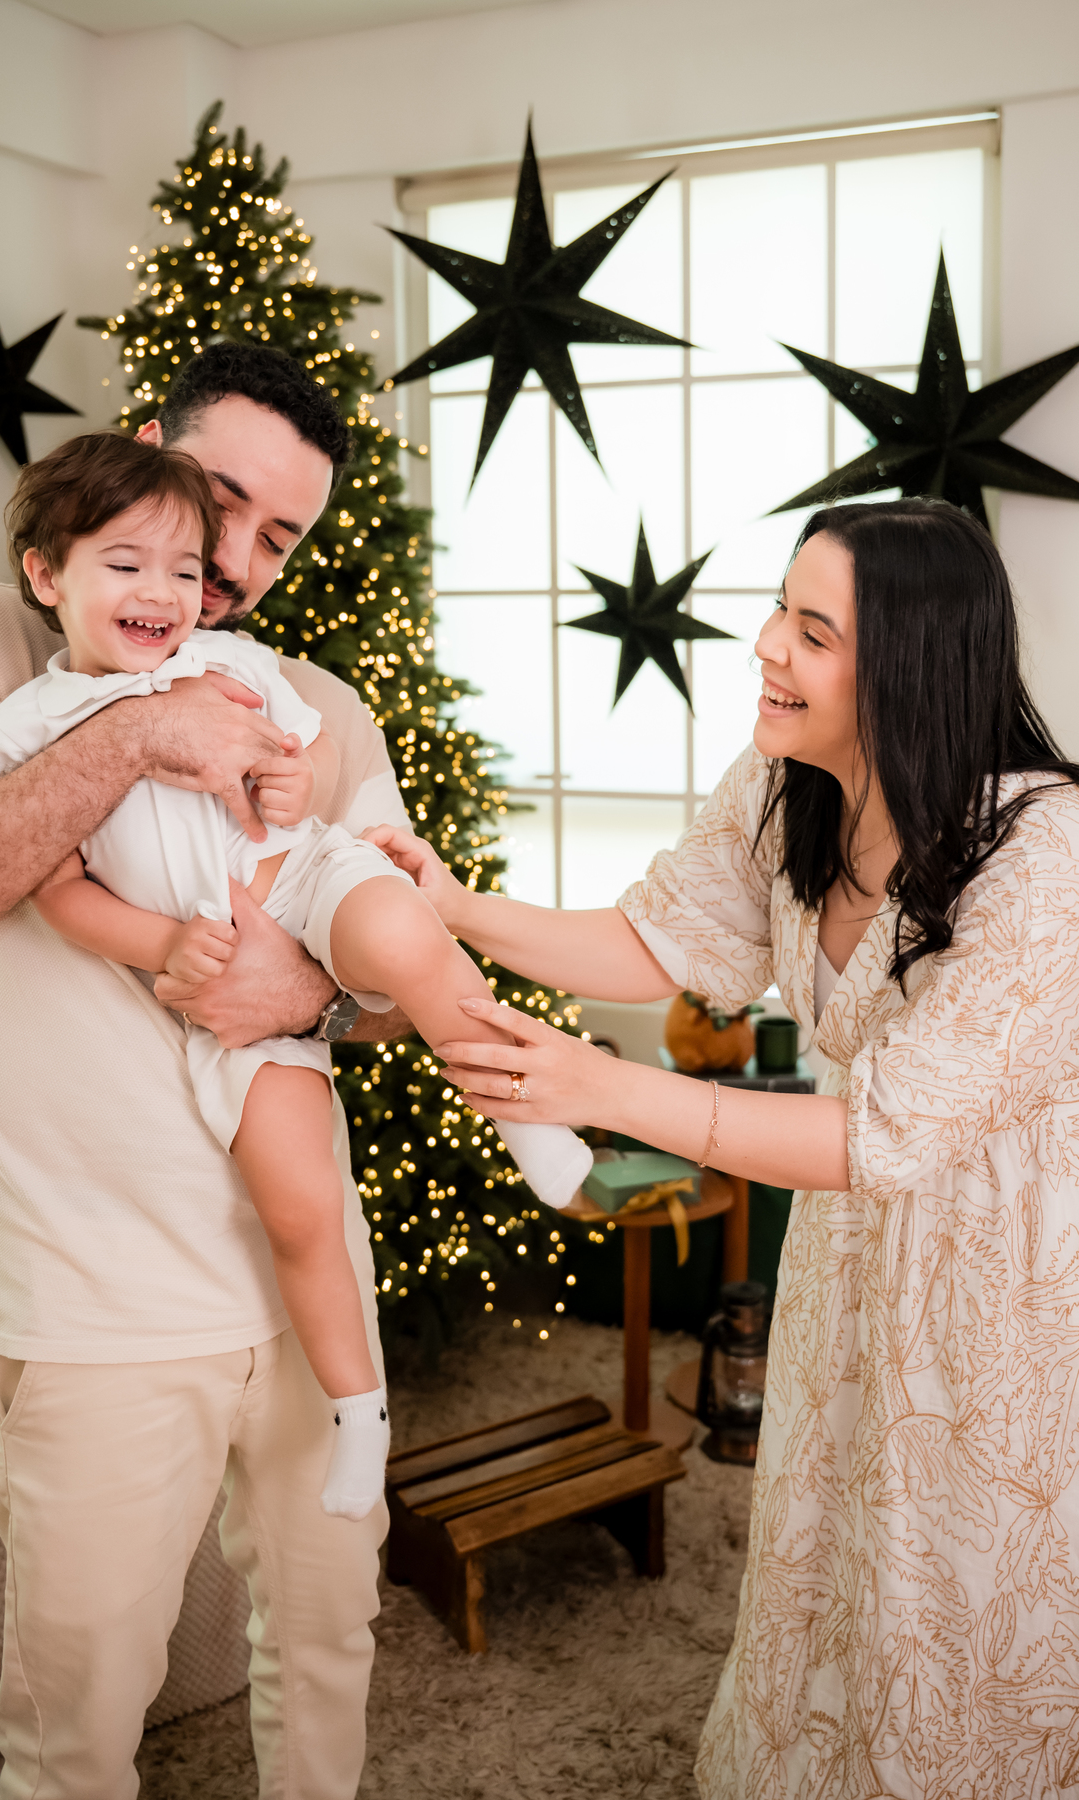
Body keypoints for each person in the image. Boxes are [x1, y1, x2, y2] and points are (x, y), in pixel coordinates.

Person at [372, 498, 1079, 1798]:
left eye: (813, 631)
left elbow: (882, 1133)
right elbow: (652, 940)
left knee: (958, 1566)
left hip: (998, 1268)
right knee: (836, 1529)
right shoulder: (785, 785)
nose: (766, 646)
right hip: (850, 1239)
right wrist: (453, 905)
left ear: (912, 664)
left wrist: (604, 1086)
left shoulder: (1043, 852)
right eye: (778, 610)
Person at [0, 345, 417, 1799]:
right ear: (146, 456)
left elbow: (390, 972)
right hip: (92, 1302)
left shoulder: (311, 701)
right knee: (74, 1729)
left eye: (279, 537)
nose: (234, 562)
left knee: (329, 1650)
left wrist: (314, 986)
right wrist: (140, 728)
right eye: (220, 502)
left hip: (305, 1276)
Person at [0, 429, 590, 1519]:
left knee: (407, 936)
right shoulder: (29, 725)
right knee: (301, 1211)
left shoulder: (229, 665)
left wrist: (293, 786)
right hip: (221, 994)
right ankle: (361, 1414)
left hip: (309, 878)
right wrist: (162, 947)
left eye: (183, 570)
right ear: (46, 574)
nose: (164, 592)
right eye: (125, 565)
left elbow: (307, 757)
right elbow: (58, 892)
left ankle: (521, 1113)